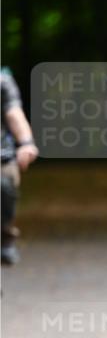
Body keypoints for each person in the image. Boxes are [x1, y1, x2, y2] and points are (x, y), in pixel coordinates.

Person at [1, 69, 39, 264]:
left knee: (4, 183)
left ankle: (5, 236)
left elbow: (14, 113)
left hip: (2, 155)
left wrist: (25, 142)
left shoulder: (3, 80)